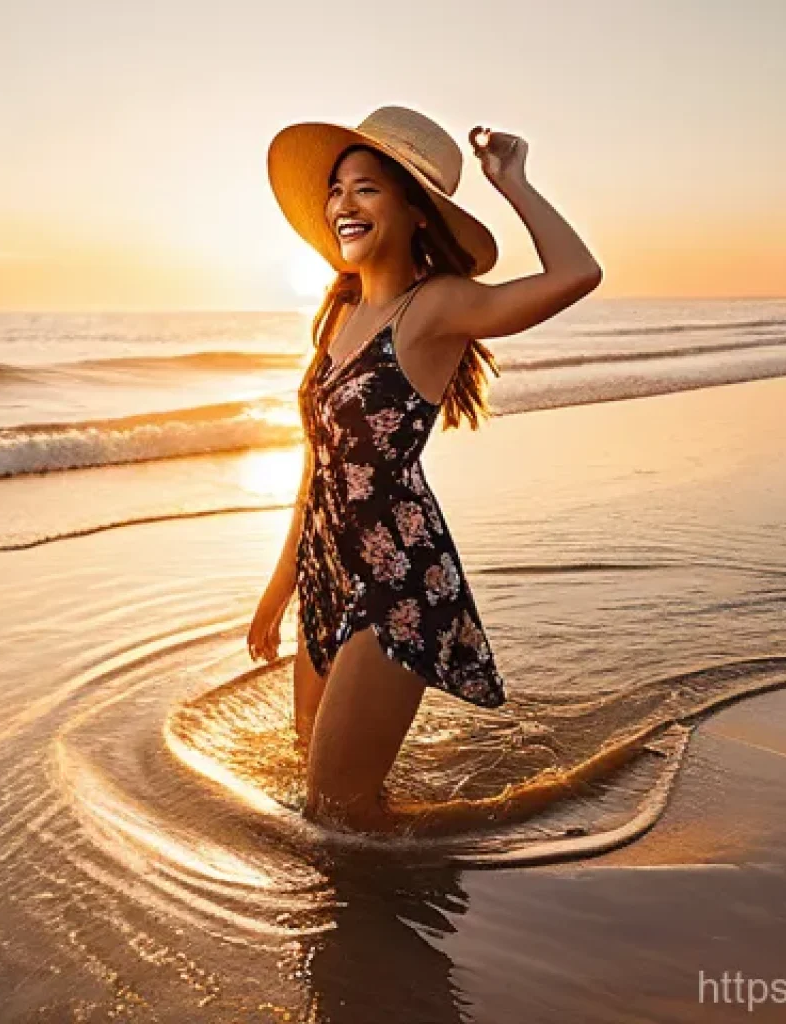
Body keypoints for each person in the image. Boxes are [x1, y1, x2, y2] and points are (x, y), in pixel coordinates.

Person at [248, 105, 602, 834]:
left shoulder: (436, 307)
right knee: (312, 774)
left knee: (335, 815)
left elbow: (578, 274)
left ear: (413, 211)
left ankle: (516, 821)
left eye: (367, 188)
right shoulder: (340, 310)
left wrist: (513, 181)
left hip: (400, 581)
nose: (344, 203)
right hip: (329, 569)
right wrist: (280, 586)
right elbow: (319, 468)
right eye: (337, 189)